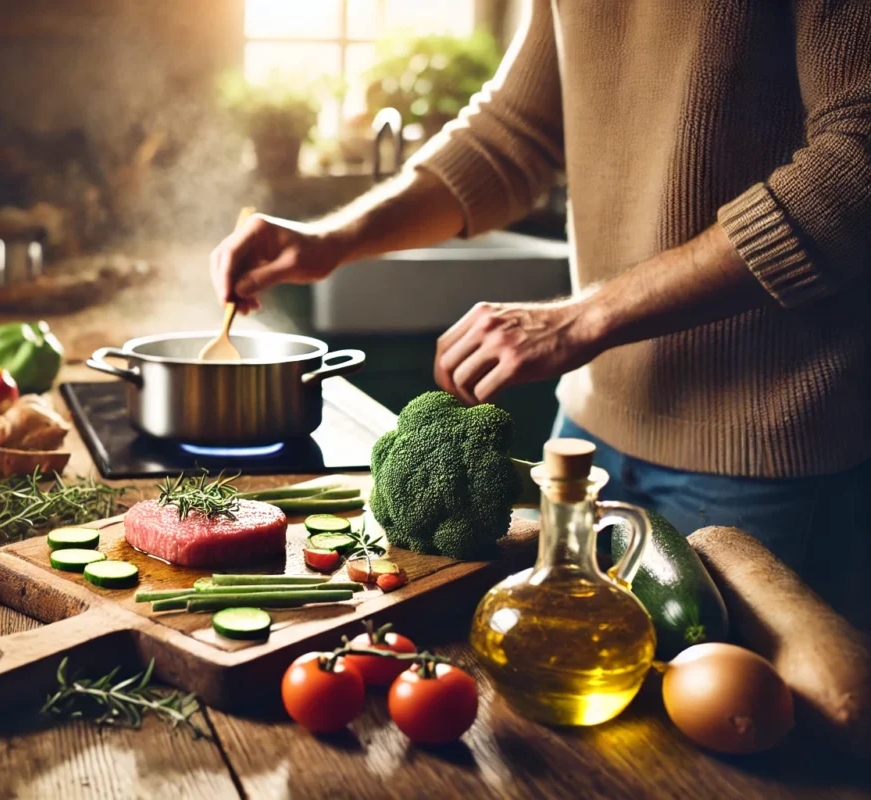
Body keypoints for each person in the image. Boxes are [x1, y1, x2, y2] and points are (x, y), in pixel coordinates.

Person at [209, 0, 870, 624]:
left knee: (730, 723)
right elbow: (513, 135)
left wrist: (584, 317)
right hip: (584, 431)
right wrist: (333, 240)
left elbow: (856, 165)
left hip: (762, 446)